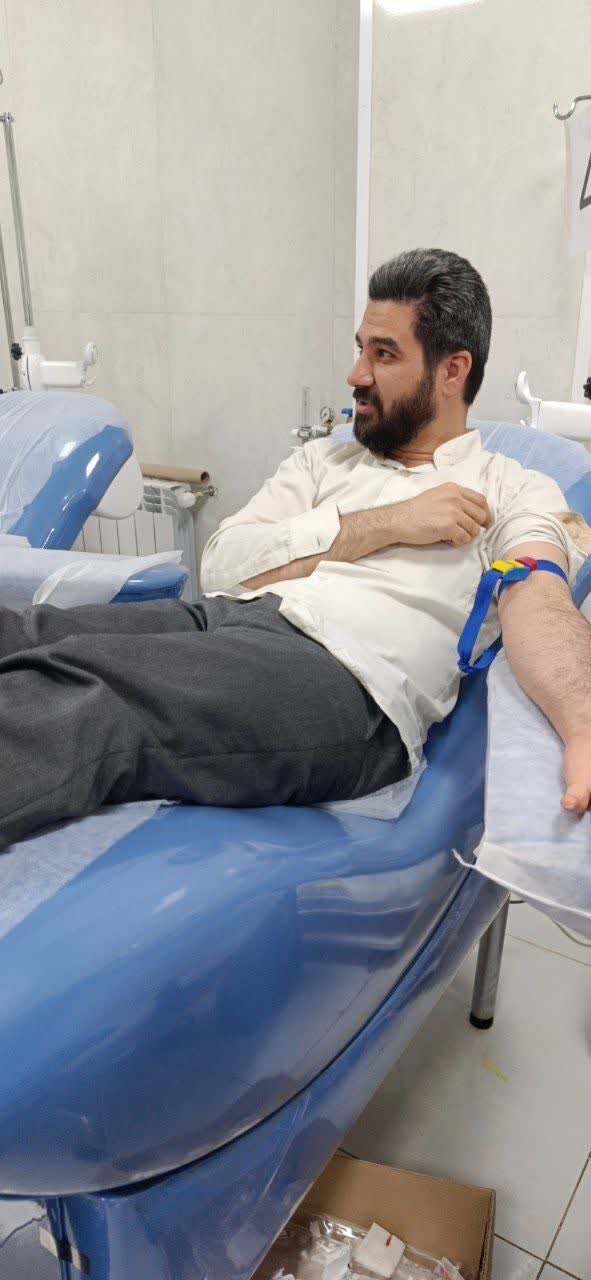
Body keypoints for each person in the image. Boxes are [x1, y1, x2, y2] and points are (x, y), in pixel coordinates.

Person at [1, 248, 589, 852]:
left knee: (79, 694)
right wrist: (390, 522)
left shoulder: (511, 488)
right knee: (25, 632)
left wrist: (585, 726)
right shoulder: (323, 460)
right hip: (229, 619)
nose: (356, 374)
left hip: (344, 678)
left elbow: (541, 602)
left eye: (383, 354)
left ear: (451, 370)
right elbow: (223, 564)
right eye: (361, 349)